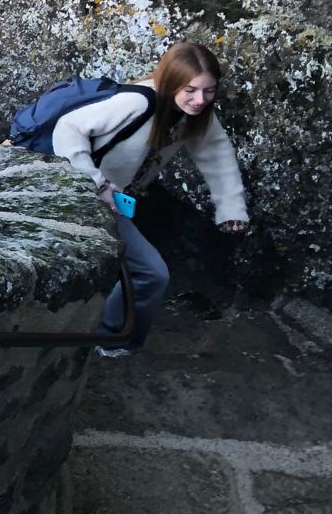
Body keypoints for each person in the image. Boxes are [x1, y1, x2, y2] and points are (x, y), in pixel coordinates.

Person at [50, 42, 248, 356]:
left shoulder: (192, 115)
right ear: (170, 83)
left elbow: (217, 154)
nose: (200, 100)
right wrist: (96, 182)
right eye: (191, 90)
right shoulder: (137, 102)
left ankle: (111, 336)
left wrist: (231, 208)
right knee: (151, 273)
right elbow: (68, 127)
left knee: (138, 272)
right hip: (81, 192)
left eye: (209, 91)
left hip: (112, 199)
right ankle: (112, 338)